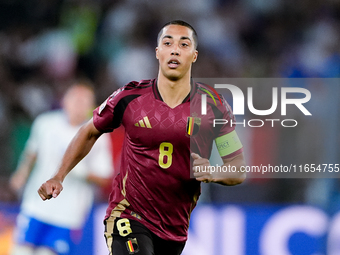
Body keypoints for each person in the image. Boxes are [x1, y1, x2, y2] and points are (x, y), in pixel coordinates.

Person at [38, 20, 246, 255]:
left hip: (174, 228)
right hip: (127, 214)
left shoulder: (214, 106)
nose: (175, 49)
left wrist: (213, 172)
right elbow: (89, 131)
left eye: (184, 44)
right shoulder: (130, 97)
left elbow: (237, 169)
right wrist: (59, 175)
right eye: (167, 43)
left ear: (194, 55)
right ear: (158, 52)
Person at [10, 82, 114, 255]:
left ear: (91, 106)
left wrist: (83, 172)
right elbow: (32, 152)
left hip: (68, 215)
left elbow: (105, 177)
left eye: (83, 101)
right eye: (75, 99)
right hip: (36, 206)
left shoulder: (97, 135)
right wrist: (21, 173)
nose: (78, 105)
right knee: (20, 252)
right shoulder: (45, 123)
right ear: (64, 100)